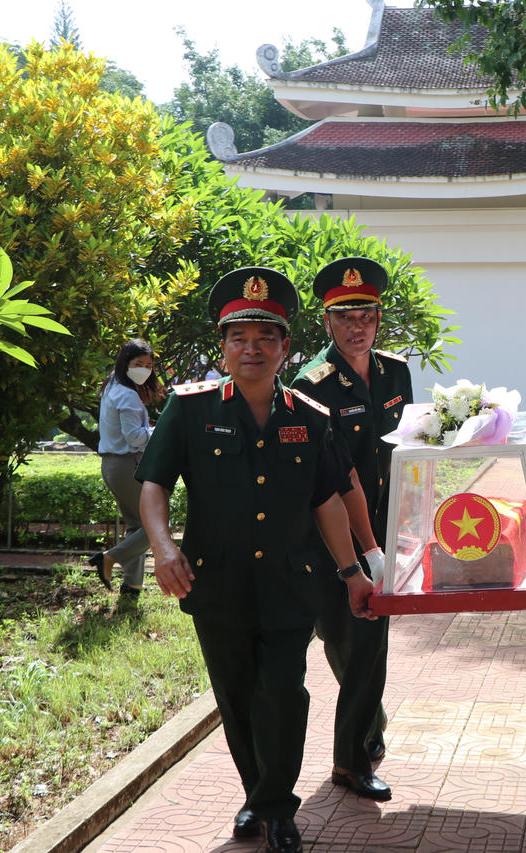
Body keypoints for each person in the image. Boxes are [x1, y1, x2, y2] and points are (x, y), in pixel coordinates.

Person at [136, 267, 374, 852]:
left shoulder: (309, 417)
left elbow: (327, 503)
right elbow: (153, 485)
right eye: (239, 338)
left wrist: (352, 574)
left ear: (285, 348)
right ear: (223, 348)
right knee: (237, 694)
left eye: (265, 339)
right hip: (215, 582)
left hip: (291, 584)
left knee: (285, 694)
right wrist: (163, 549)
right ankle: (256, 797)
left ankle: (276, 806)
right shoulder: (188, 411)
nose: (252, 349)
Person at [292, 257, 412, 802]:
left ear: (379, 317)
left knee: (368, 645)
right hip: (334, 536)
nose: (356, 326)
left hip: (387, 529)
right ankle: (357, 752)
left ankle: (356, 749)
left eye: (365, 314)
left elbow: (408, 454)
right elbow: (336, 483)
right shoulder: (310, 385)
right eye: (344, 317)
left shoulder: (394, 373)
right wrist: (365, 551)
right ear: (326, 323)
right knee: (349, 641)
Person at [87, 338, 166, 598]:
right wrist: (160, 430)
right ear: (125, 363)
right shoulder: (128, 395)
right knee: (156, 523)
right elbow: (135, 438)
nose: (144, 369)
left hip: (112, 465)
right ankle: (109, 558)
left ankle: (132, 586)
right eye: (138, 364)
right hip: (127, 464)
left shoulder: (112, 385)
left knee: (137, 524)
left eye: (148, 365)